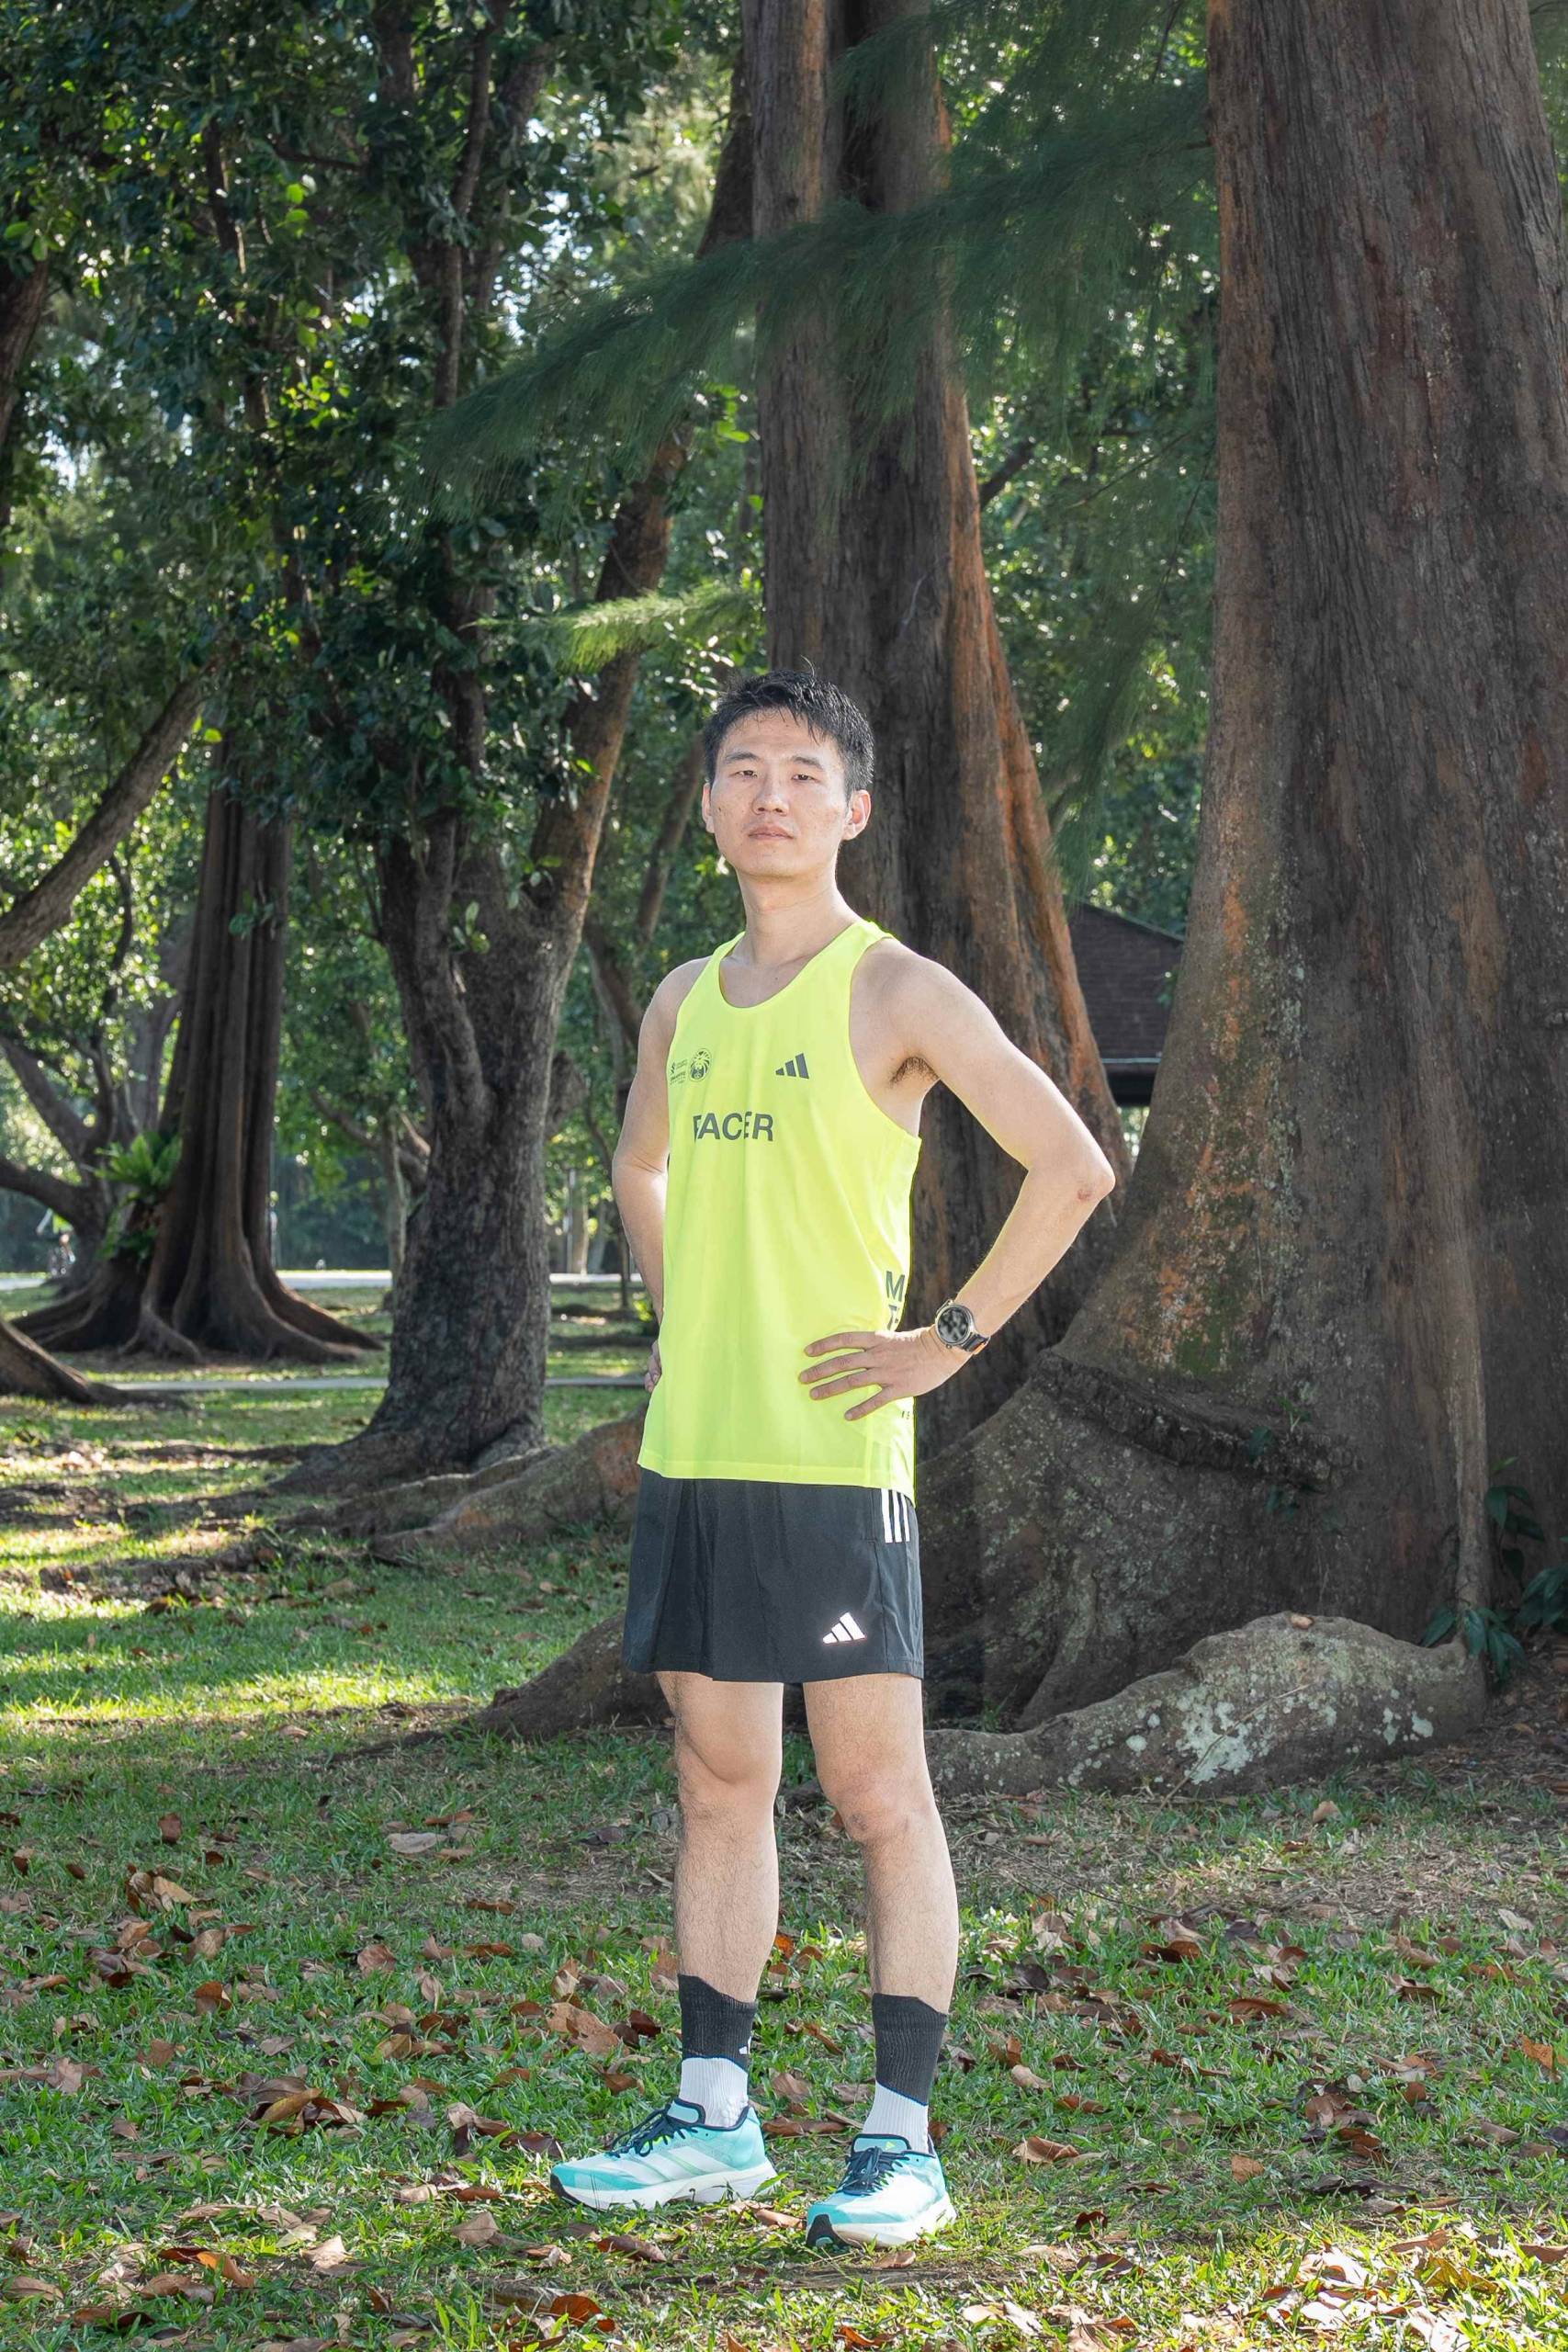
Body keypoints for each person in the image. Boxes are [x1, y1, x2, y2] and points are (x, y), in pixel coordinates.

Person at [549, 665, 1116, 2248]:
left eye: (806, 774)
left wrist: (948, 1339)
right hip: (698, 1451)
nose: (772, 797)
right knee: (718, 1781)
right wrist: (684, 1313)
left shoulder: (898, 990)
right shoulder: (681, 999)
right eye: (745, 771)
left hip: (836, 1463)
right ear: (710, 805)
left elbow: (1075, 1164)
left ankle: (900, 2143)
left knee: (876, 1794)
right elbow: (641, 1166)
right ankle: (712, 2120)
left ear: (853, 810)